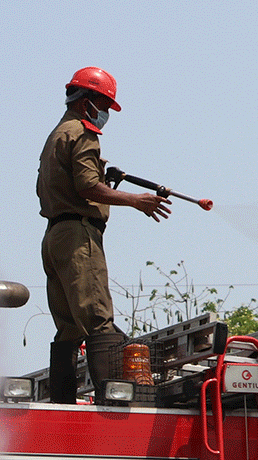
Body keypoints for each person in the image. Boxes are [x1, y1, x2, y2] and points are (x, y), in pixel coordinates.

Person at [36, 66, 171, 403]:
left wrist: (102, 175)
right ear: (87, 103)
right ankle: (115, 403)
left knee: (68, 326)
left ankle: (63, 404)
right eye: (105, 105)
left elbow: (71, 182)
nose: (107, 113)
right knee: (99, 321)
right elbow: (86, 186)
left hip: (54, 238)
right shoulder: (83, 133)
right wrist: (135, 200)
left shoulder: (58, 133)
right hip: (79, 237)